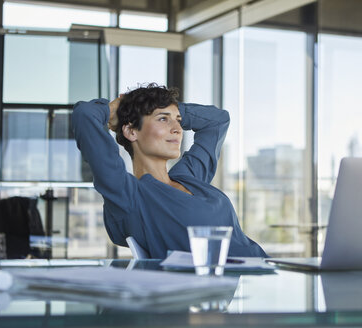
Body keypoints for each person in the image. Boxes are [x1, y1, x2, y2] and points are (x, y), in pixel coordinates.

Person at [72, 83, 267, 258]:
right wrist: (121, 109)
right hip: (228, 287)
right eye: (163, 119)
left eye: (179, 120)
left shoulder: (188, 176)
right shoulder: (130, 196)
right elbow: (85, 115)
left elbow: (218, 120)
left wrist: (158, 105)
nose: (177, 129)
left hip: (269, 273)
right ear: (132, 131)